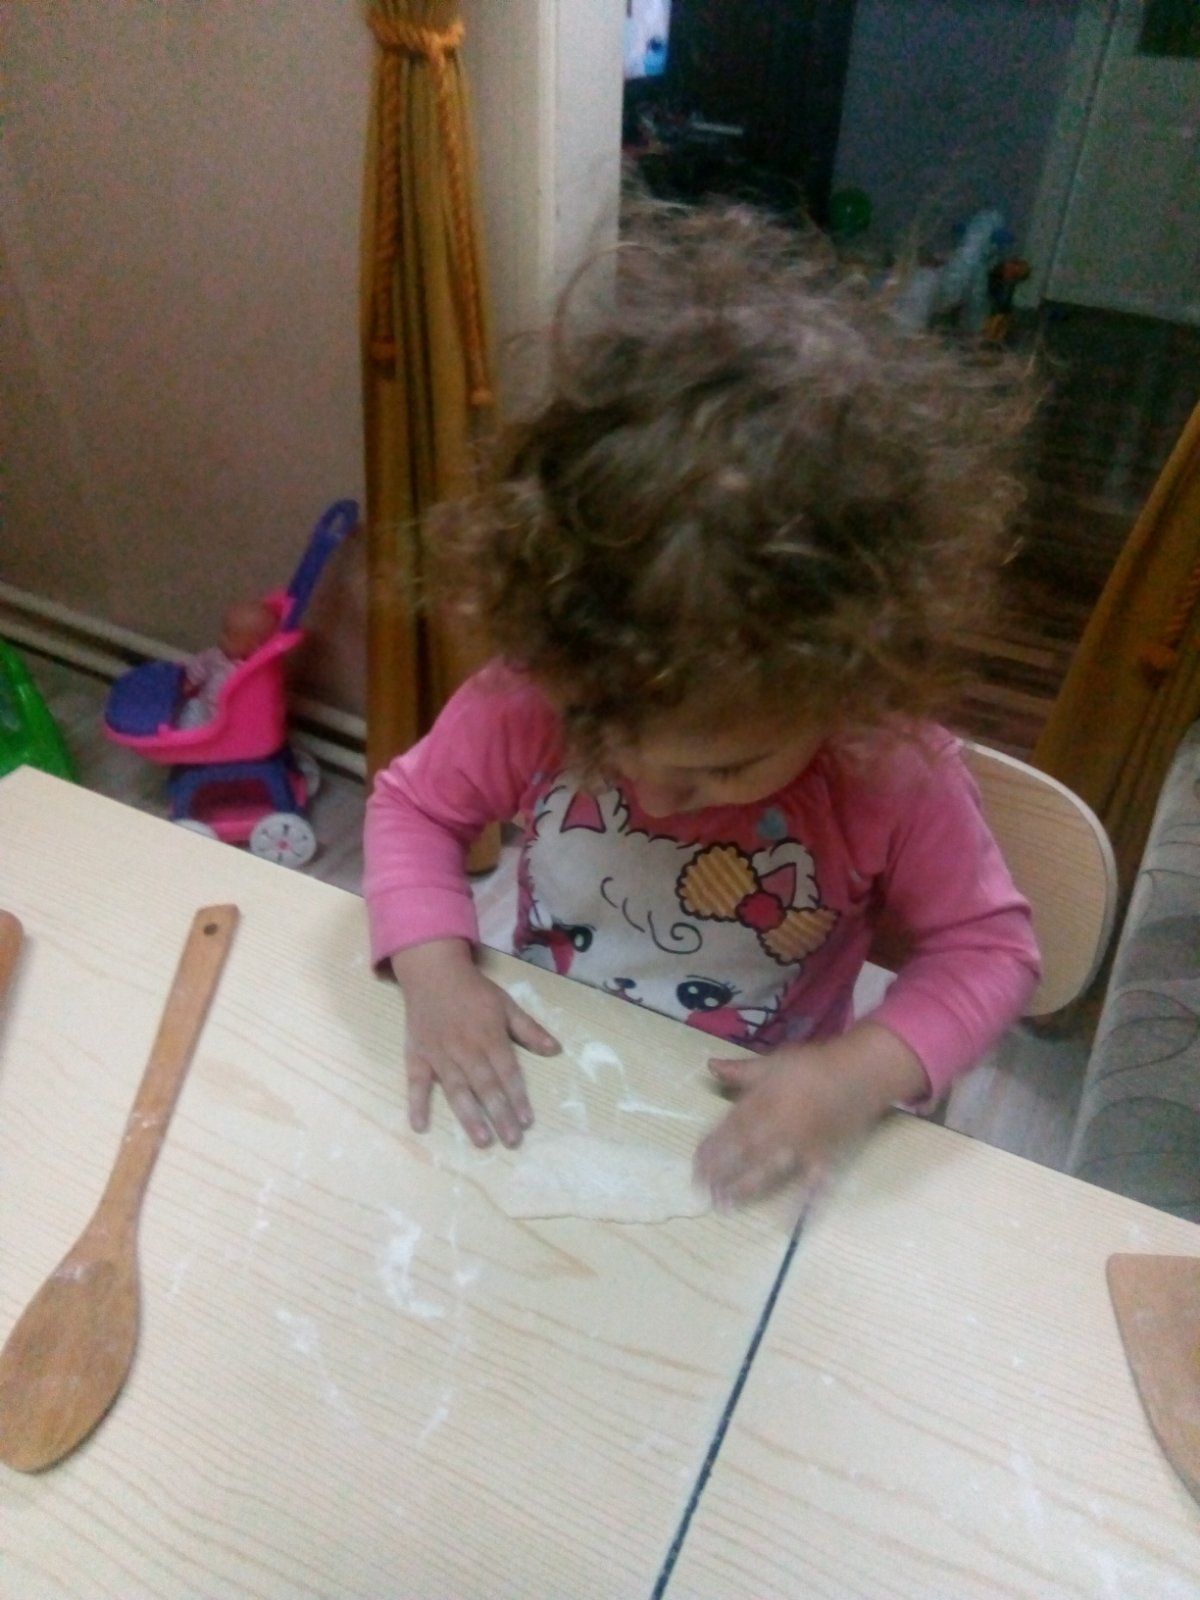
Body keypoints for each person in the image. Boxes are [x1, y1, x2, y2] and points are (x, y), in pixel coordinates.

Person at [363, 204, 1042, 1208]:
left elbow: (990, 951)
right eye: (610, 740)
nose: (660, 794)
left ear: (847, 683)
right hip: (556, 1080)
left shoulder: (886, 766)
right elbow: (413, 808)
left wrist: (858, 1073)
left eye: (727, 767)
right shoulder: (534, 693)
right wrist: (434, 972)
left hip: (746, 1125)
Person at [177, 599, 276, 728]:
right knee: (192, 707)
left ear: (255, 647)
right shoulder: (215, 654)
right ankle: (180, 732)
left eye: (228, 636)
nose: (221, 637)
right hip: (204, 706)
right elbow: (200, 665)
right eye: (223, 631)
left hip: (228, 718)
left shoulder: (254, 671)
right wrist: (191, 682)